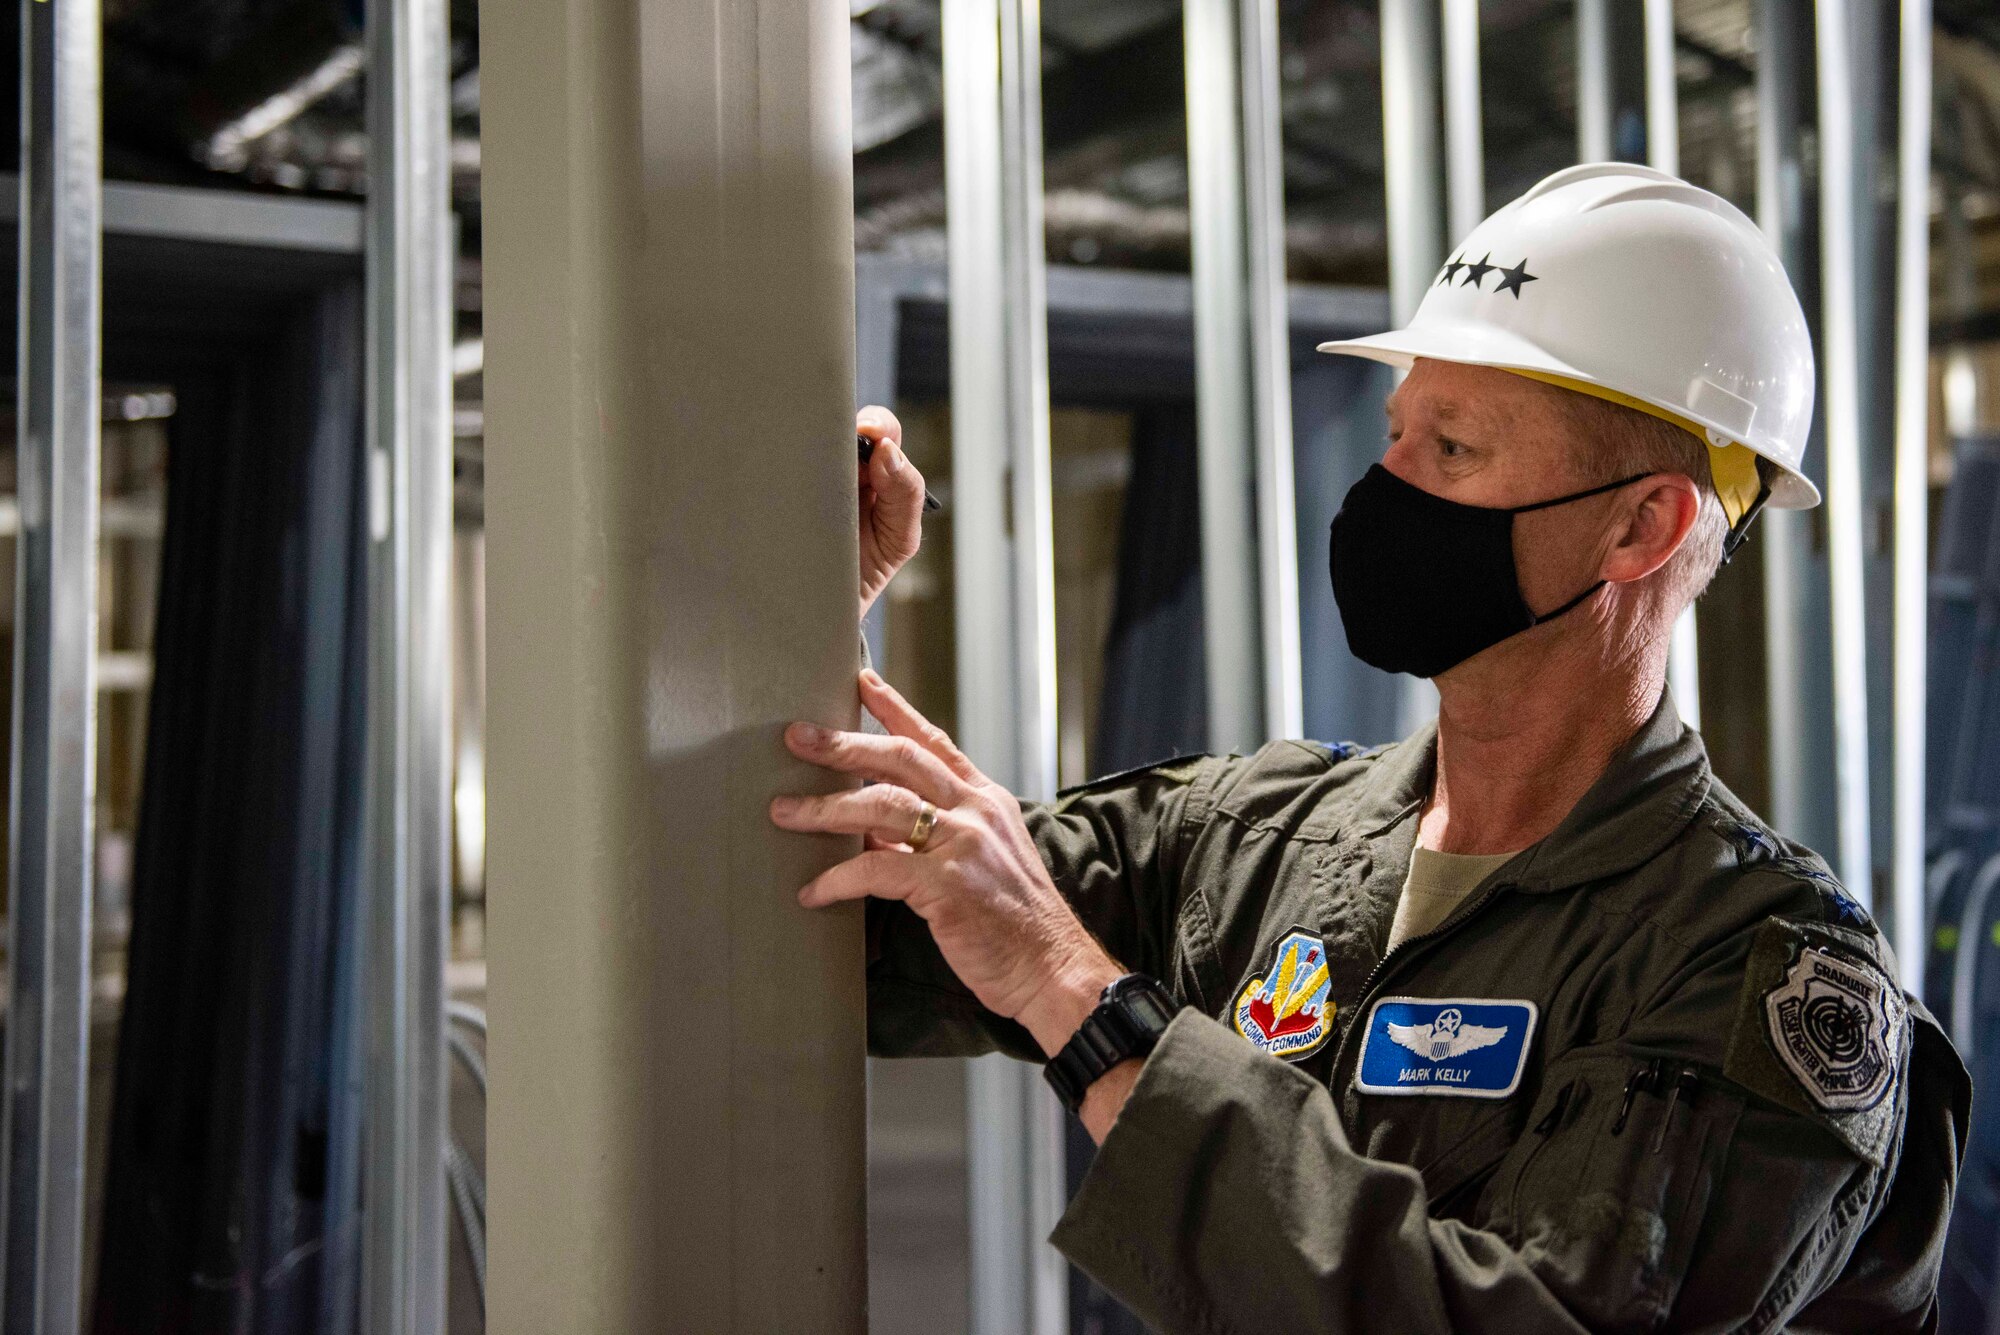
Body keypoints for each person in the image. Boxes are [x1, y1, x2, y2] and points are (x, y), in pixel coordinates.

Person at [770, 164, 1970, 1332]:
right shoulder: (1248, 838)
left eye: (1451, 450)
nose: (1382, 483)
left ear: (1639, 524)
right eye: (1397, 432)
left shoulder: (1753, 971)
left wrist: (1073, 994)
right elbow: (811, 928)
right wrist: (807, 621)